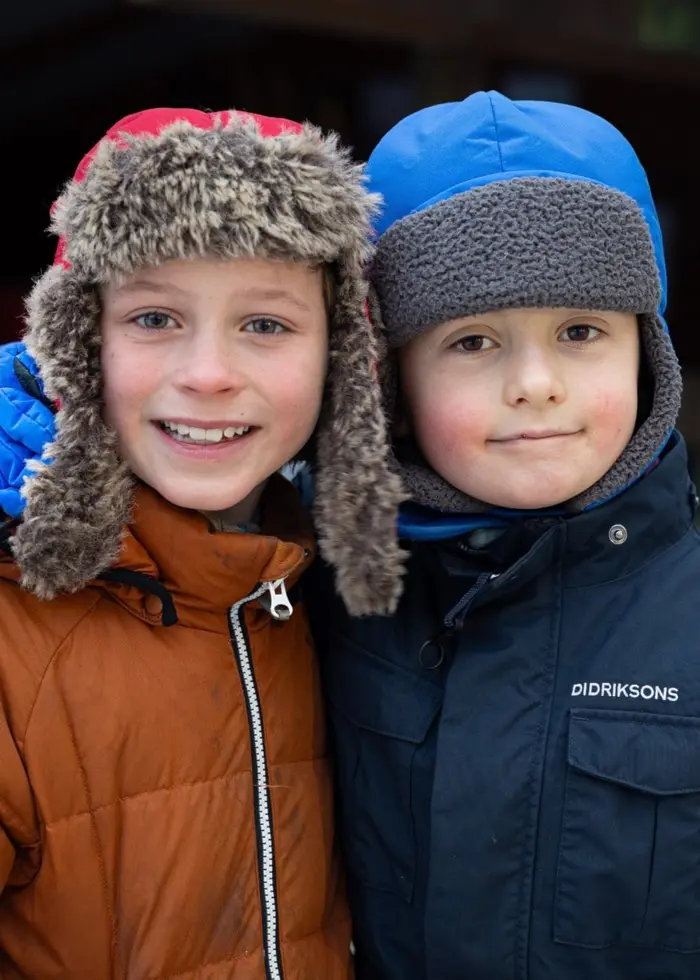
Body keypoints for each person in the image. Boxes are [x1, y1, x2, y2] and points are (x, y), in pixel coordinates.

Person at [4, 90, 696, 980]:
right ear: (387, 379)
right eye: (473, 341)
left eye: (581, 331)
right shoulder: (316, 591)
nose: (535, 384)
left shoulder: (291, 586)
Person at [0, 105, 404, 977]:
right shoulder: (13, 626)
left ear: (341, 359)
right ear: (78, 341)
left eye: (265, 324)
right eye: (154, 319)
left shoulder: (334, 595)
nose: (209, 373)